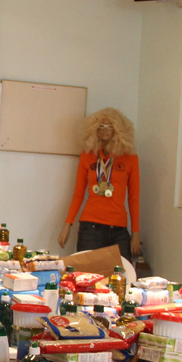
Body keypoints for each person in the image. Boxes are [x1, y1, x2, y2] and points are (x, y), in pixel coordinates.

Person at [58, 107, 140, 260]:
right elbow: (78, 194)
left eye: (110, 126)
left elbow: (134, 198)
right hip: (91, 228)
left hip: (118, 229)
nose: (105, 130)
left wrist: (135, 233)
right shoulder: (87, 156)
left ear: (118, 130)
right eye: (101, 126)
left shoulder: (130, 158)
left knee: (121, 272)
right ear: (95, 129)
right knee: (86, 271)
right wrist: (67, 224)